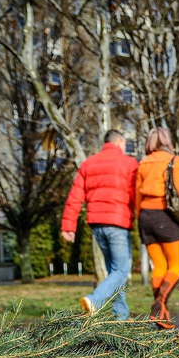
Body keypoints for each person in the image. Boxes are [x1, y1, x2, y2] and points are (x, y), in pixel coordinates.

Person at [61, 129, 139, 318]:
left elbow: (75, 196)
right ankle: (95, 299)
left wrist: (68, 226)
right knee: (121, 271)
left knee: (114, 272)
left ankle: (121, 316)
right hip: (118, 224)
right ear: (120, 142)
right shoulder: (129, 163)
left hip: (97, 225)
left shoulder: (88, 163)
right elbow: (136, 195)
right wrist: (144, 221)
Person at [135, 127, 179, 329]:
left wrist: (141, 218)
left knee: (158, 266)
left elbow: (137, 197)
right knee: (176, 265)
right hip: (165, 216)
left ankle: (162, 316)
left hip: (145, 218)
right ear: (167, 140)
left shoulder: (142, 164)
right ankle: (159, 304)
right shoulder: (174, 161)